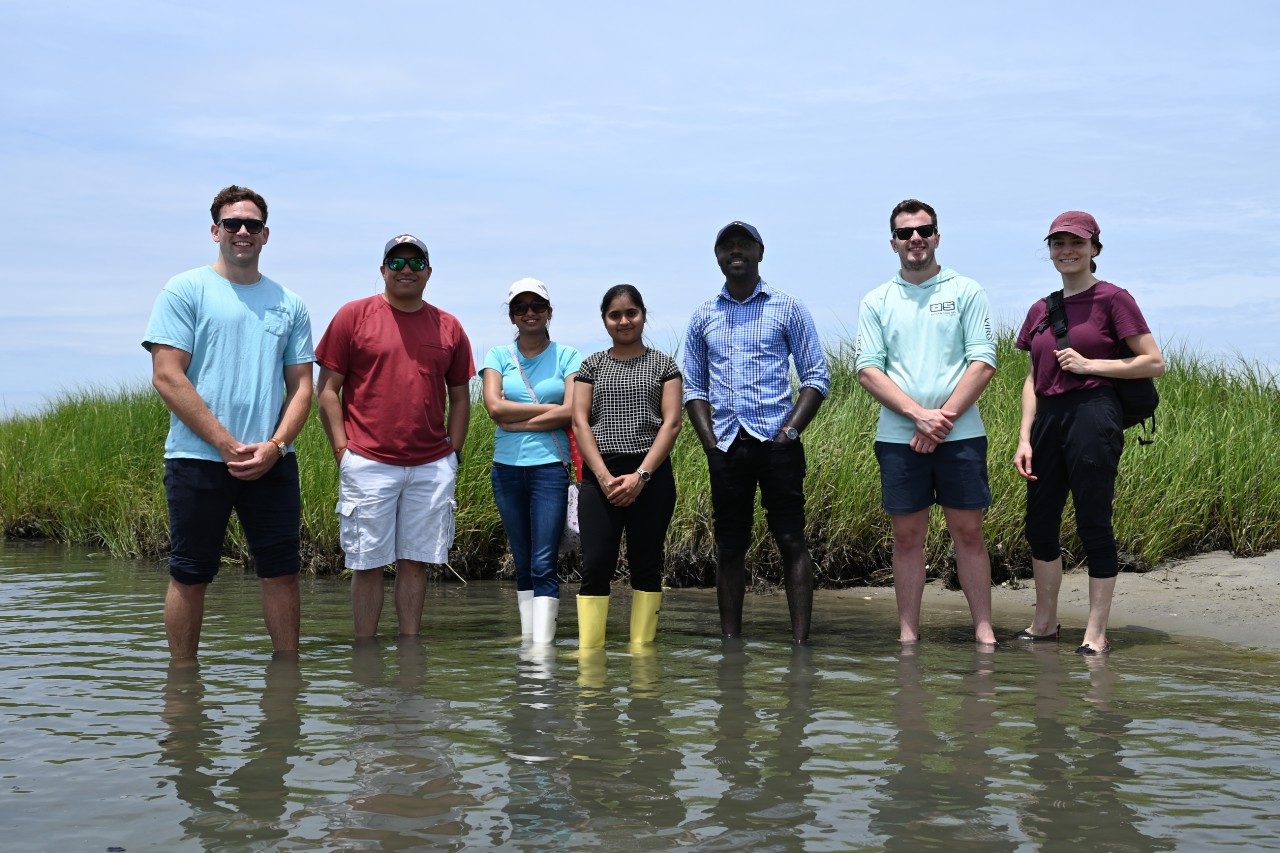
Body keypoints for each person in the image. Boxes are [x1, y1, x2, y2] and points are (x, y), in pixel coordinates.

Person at [143, 185, 314, 660]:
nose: (243, 232)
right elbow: (166, 374)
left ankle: (286, 683)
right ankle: (182, 688)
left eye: (253, 225)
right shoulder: (184, 289)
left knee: (281, 572)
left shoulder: (290, 304)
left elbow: (302, 386)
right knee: (189, 573)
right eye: (233, 223)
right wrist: (224, 442)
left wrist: (275, 445)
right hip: (197, 459)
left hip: (272, 462)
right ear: (215, 231)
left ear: (266, 235)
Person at [1013, 211, 1165, 655]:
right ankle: (1045, 622)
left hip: (1094, 412)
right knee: (1039, 522)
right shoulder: (1041, 309)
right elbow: (1031, 377)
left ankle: (1096, 632)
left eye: (1076, 243)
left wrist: (1089, 365)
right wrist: (1024, 437)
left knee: (1092, 519)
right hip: (1048, 419)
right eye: (1058, 244)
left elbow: (1153, 361)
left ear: (1094, 249)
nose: (1067, 251)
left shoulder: (1114, 299)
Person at [314, 234, 474, 639]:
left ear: (429, 272)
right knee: (366, 564)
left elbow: (460, 396)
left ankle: (409, 653)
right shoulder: (353, 316)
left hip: (431, 465)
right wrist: (342, 450)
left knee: (415, 562)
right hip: (367, 462)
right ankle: (364, 655)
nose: (407, 270)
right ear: (383, 270)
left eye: (416, 263)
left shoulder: (450, 326)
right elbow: (327, 390)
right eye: (397, 263)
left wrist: (452, 454)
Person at [855, 199, 999, 645]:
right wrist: (919, 417)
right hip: (899, 437)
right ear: (893, 242)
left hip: (962, 436)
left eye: (924, 230)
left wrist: (942, 421)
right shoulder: (876, 300)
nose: (915, 239)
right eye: (905, 233)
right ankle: (908, 634)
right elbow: (867, 369)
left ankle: (984, 629)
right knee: (906, 537)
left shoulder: (967, 290)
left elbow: (983, 361)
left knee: (969, 532)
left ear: (937, 235)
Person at [683, 221, 829, 645]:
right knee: (729, 547)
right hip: (726, 445)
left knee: (790, 540)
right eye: (727, 246)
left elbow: (816, 376)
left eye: (744, 245)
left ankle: (800, 643)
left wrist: (791, 432)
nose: (735, 252)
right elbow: (694, 387)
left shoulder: (787, 307)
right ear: (717, 257)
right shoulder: (703, 315)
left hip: (777, 443)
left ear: (760, 252)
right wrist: (710, 443)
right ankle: (732, 645)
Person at [572, 285, 683, 650]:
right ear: (604, 320)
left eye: (631, 312)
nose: (624, 321)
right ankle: (590, 655)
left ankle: (642, 652)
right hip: (599, 476)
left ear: (643, 314)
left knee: (646, 563)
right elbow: (580, 423)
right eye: (615, 315)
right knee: (596, 566)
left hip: (651, 475)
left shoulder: (664, 364)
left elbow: (671, 424)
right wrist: (603, 478)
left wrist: (641, 477)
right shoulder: (591, 365)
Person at [480, 279, 582, 644]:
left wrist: (516, 420)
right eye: (520, 307)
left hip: (550, 470)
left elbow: (573, 410)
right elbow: (494, 407)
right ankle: (529, 643)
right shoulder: (497, 356)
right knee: (523, 561)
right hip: (506, 470)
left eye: (537, 306)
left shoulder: (569, 355)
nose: (529, 313)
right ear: (512, 315)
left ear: (549, 312)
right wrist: (549, 410)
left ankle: (544, 648)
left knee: (543, 562)